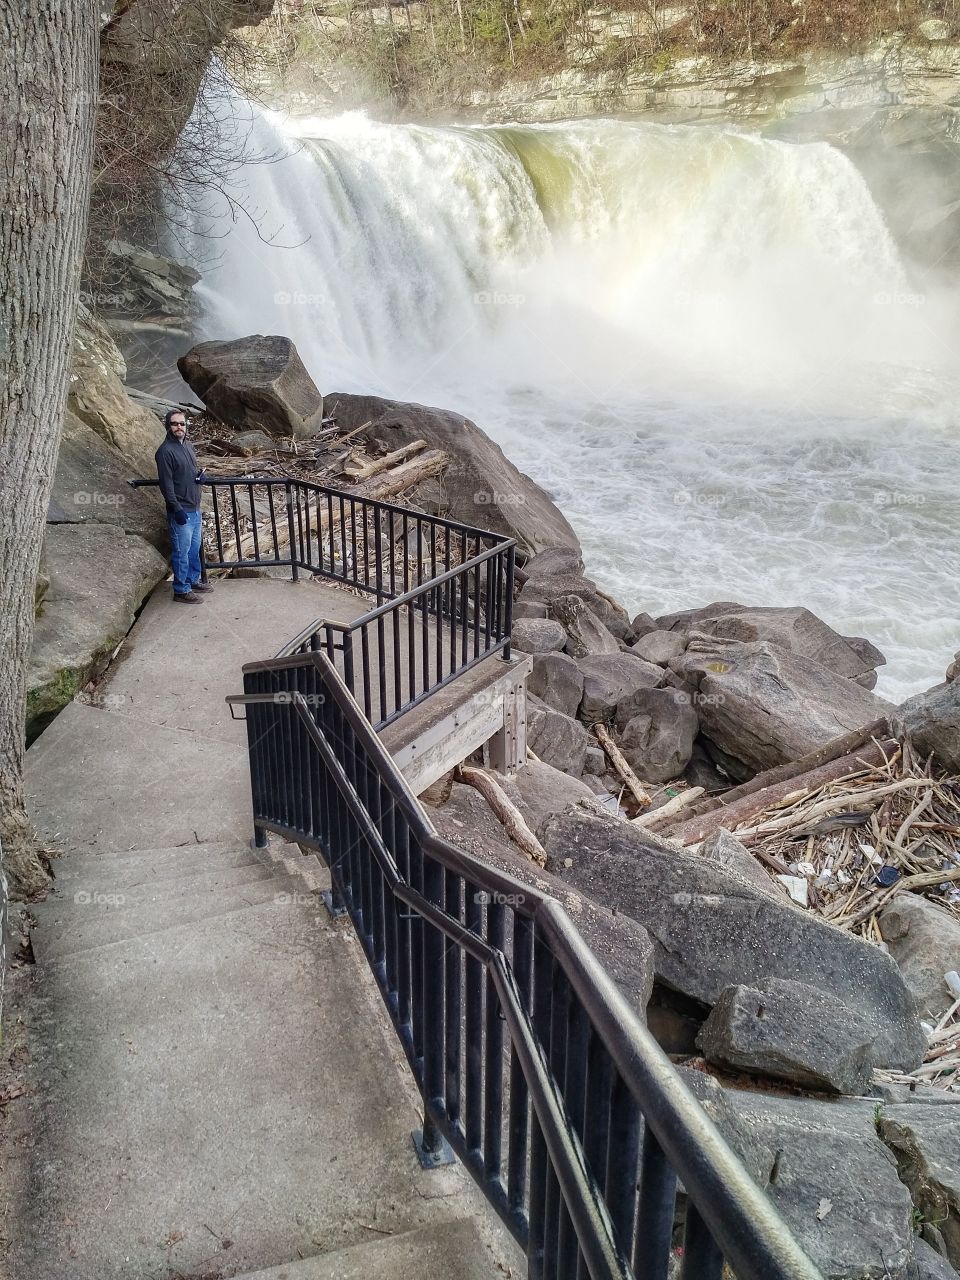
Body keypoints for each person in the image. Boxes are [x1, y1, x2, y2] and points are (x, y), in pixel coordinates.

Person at [155, 409, 213, 603]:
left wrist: (199, 476)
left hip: (195, 508)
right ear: (168, 426)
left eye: (182, 423)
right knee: (181, 552)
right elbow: (166, 485)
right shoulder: (165, 452)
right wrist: (176, 508)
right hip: (181, 510)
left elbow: (189, 471)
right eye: (175, 424)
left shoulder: (188, 446)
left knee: (194, 549)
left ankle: (192, 580)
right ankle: (181, 590)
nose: (179, 427)